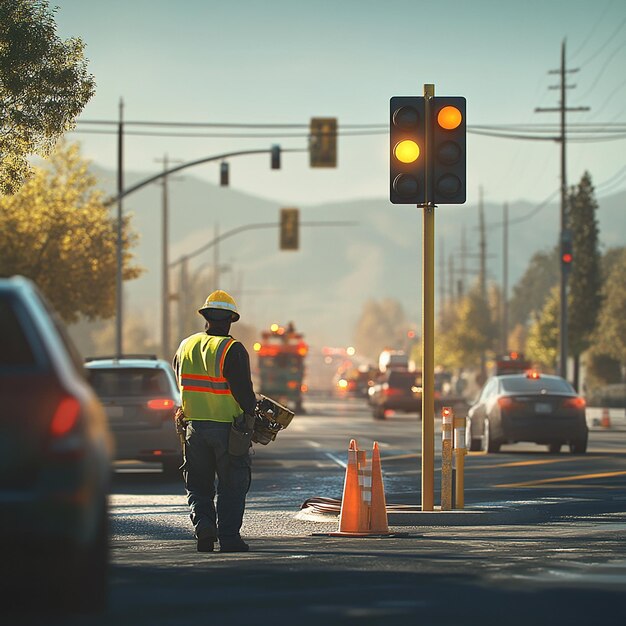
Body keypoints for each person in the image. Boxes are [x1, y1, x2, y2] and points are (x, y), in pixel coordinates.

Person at [172, 290, 257, 553]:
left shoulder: (185, 346)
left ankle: (205, 530)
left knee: (198, 484)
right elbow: (243, 392)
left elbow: (180, 379)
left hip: (194, 428)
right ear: (231, 319)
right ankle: (229, 538)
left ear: (206, 317)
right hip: (228, 429)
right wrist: (253, 413)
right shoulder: (233, 349)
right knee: (232, 484)